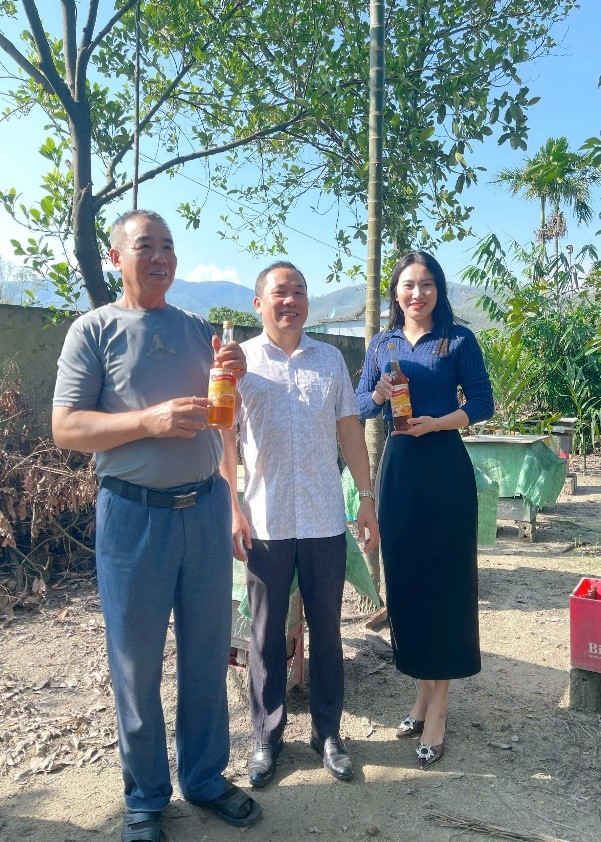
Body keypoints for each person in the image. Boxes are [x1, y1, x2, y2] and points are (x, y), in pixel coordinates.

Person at [52, 210, 261, 842]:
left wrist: (233, 374)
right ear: (117, 258)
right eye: (146, 245)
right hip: (132, 516)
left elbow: (223, 414)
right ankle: (144, 798)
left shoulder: (197, 329)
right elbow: (66, 428)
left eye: (168, 245)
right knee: (136, 664)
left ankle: (204, 778)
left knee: (207, 653)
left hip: (204, 508)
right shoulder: (94, 331)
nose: (161, 256)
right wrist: (149, 421)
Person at [220, 261, 379, 788]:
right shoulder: (240, 362)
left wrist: (366, 497)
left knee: (328, 630)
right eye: (280, 292)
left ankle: (327, 732)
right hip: (264, 520)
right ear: (258, 304)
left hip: (323, 518)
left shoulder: (330, 360)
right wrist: (232, 505)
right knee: (266, 633)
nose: (290, 301)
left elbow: (349, 429)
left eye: (299, 292)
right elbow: (225, 437)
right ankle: (266, 737)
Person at [355, 251, 494, 770]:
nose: (418, 293)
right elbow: (358, 406)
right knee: (408, 584)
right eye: (409, 285)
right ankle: (420, 696)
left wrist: (437, 422)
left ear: (439, 290)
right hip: (399, 471)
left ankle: (438, 709)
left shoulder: (457, 340)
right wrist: (378, 393)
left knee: (445, 585)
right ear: (395, 292)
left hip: (444, 469)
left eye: (428, 284)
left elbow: (482, 403)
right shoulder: (382, 344)